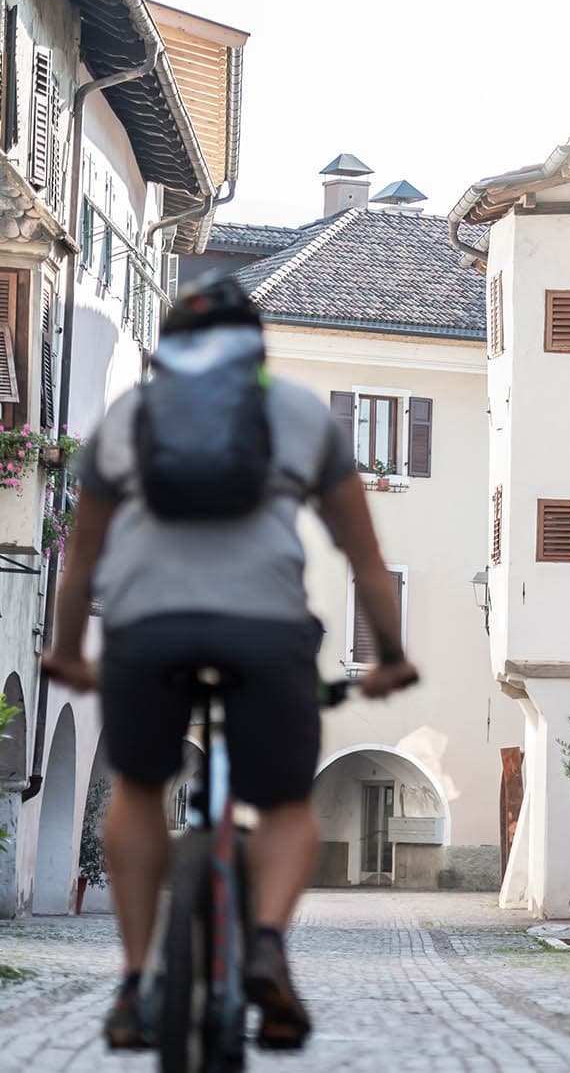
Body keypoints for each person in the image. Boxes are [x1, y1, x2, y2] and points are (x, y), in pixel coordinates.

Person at [41, 277, 419, 1051]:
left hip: (146, 630)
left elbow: (81, 560)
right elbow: (366, 560)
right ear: (258, 349)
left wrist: (69, 651)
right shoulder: (301, 415)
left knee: (140, 790)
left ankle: (135, 983)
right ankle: (270, 946)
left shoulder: (129, 417)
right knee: (284, 806)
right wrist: (389, 657)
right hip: (266, 631)